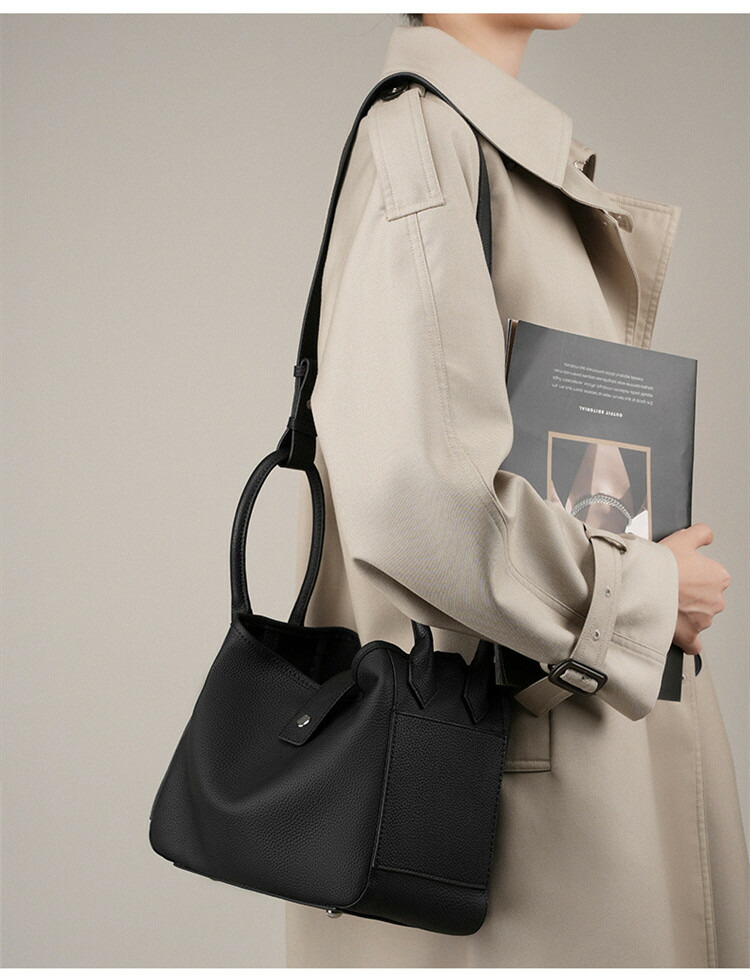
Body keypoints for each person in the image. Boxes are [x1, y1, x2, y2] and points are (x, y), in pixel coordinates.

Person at [284, 14, 749, 967]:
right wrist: (646, 594)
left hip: (558, 751)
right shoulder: (425, 143)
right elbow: (416, 492)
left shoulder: (479, 147)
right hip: (513, 799)